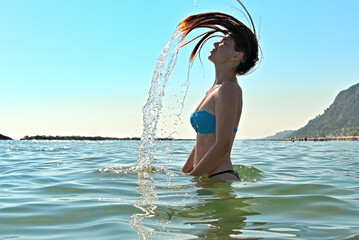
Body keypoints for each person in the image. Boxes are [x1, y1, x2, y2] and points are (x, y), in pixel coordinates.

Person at [179, 2, 260, 180]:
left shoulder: (228, 89)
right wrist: (184, 173)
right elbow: (203, 139)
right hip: (206, 178)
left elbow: (222, 146)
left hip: (220, 178)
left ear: (236, 56)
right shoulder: (215, 90)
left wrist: (193, 179)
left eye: (224, 42)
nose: (217, 42)